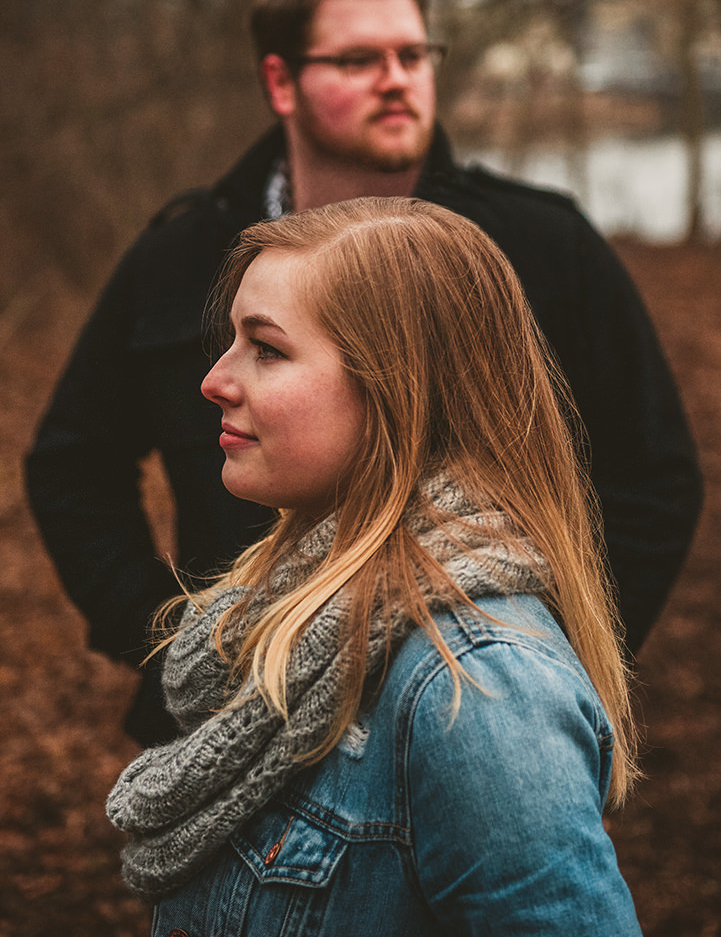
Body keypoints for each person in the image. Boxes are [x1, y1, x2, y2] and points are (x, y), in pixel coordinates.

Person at [26, 0, 702, 748]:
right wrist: (173, 645)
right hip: (237, 729)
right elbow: (74, 464)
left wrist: (540, 672)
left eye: (413, 52)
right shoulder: (183, 253)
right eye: (357, 59)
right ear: (280, 80)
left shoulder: (539, 246)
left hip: (467, 724)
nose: (397, 78)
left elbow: (652, 477)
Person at [107, 197, 643, 934]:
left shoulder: (479, 691)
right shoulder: (291, 616)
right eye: (231, 340)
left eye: (266, 348)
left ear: (398, 388)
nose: (216, 380)